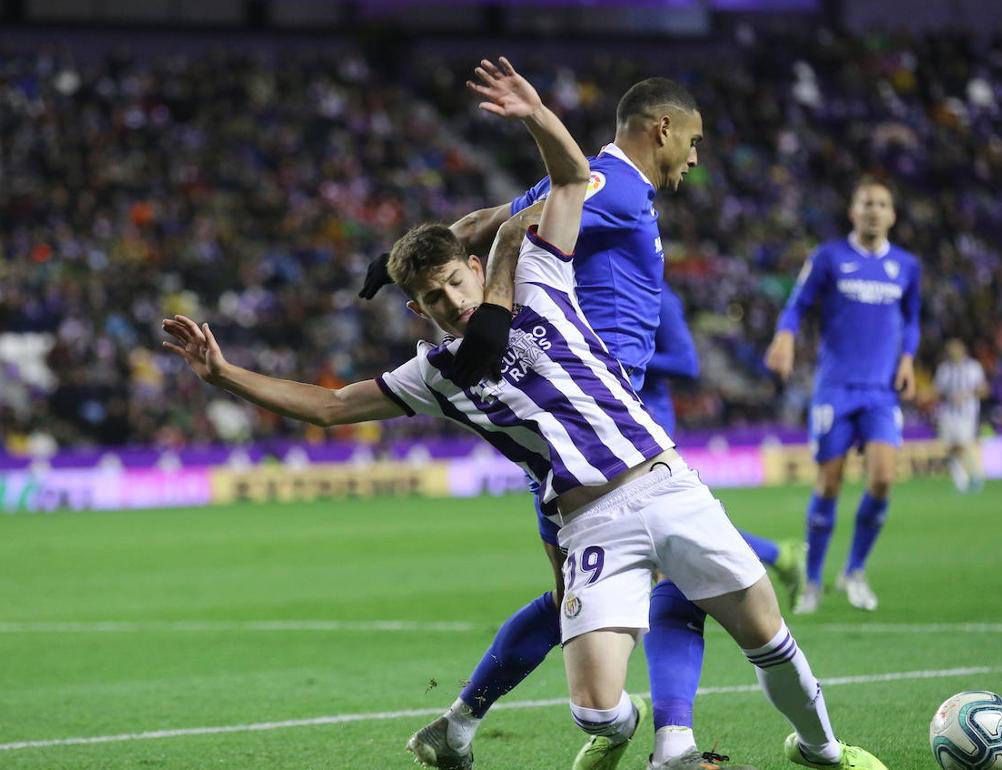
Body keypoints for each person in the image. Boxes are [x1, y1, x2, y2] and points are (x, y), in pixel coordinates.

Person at [163, 57, 886, 770]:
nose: (451, 299)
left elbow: (538, 202)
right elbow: (329, 405)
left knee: (761, 633)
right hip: (584, 507)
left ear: (474, 271)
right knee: (597, 700)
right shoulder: (440, 368)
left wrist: (536, 118)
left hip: (652, 470)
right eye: (433, 297)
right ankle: (631, 731)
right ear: (418, 309)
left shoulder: (543, 268)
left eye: (456, 282)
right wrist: (224, 374)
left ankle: (796, 748)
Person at [374, 71, 787, 769]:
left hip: (554, 423)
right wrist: (495, 302)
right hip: (597, 410)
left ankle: (464, 721)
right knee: (673, 583)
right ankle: (673, 743)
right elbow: (519, 225)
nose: (696, 154)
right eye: (693, 139)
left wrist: (413, 261)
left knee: (577, 596)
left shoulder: (604, 184)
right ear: (662, 127)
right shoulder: (616, 187)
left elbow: (496, 219)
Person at [639, 281, 808, 768]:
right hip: (597, 436)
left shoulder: (657, 296)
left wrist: (623, 355)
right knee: (667, 553)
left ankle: (657, 735)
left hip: (647, 431)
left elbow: (688, 366)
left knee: (665, 557)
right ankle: (779, 554)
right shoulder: (567, 287)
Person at [763, 178, 921, 614]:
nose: (873, 210)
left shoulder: (906, 266)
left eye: (881, 204)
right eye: (866, 203)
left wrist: (908, 359)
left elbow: (912, 320)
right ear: (853, 212)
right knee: (829, 483)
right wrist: (784, 337)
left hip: (881, 393)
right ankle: (812, 580)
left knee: (884, 478)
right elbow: (797, 304)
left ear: (892, 215)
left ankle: (854, 570)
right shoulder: (829, 258)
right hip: (835, 389)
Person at [932, 339, 988, 493]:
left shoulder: (973, 367)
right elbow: (937, 391)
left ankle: (976, 476)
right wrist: (945, 396)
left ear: (963, 350)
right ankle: (961, 481)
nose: (953, 351)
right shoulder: (944, 369)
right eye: (950, 349)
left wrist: (967, 394)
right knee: (950, 447)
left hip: (967, 413)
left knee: (964, 444)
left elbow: (984, 390)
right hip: (948, 414)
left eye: (956, 348)